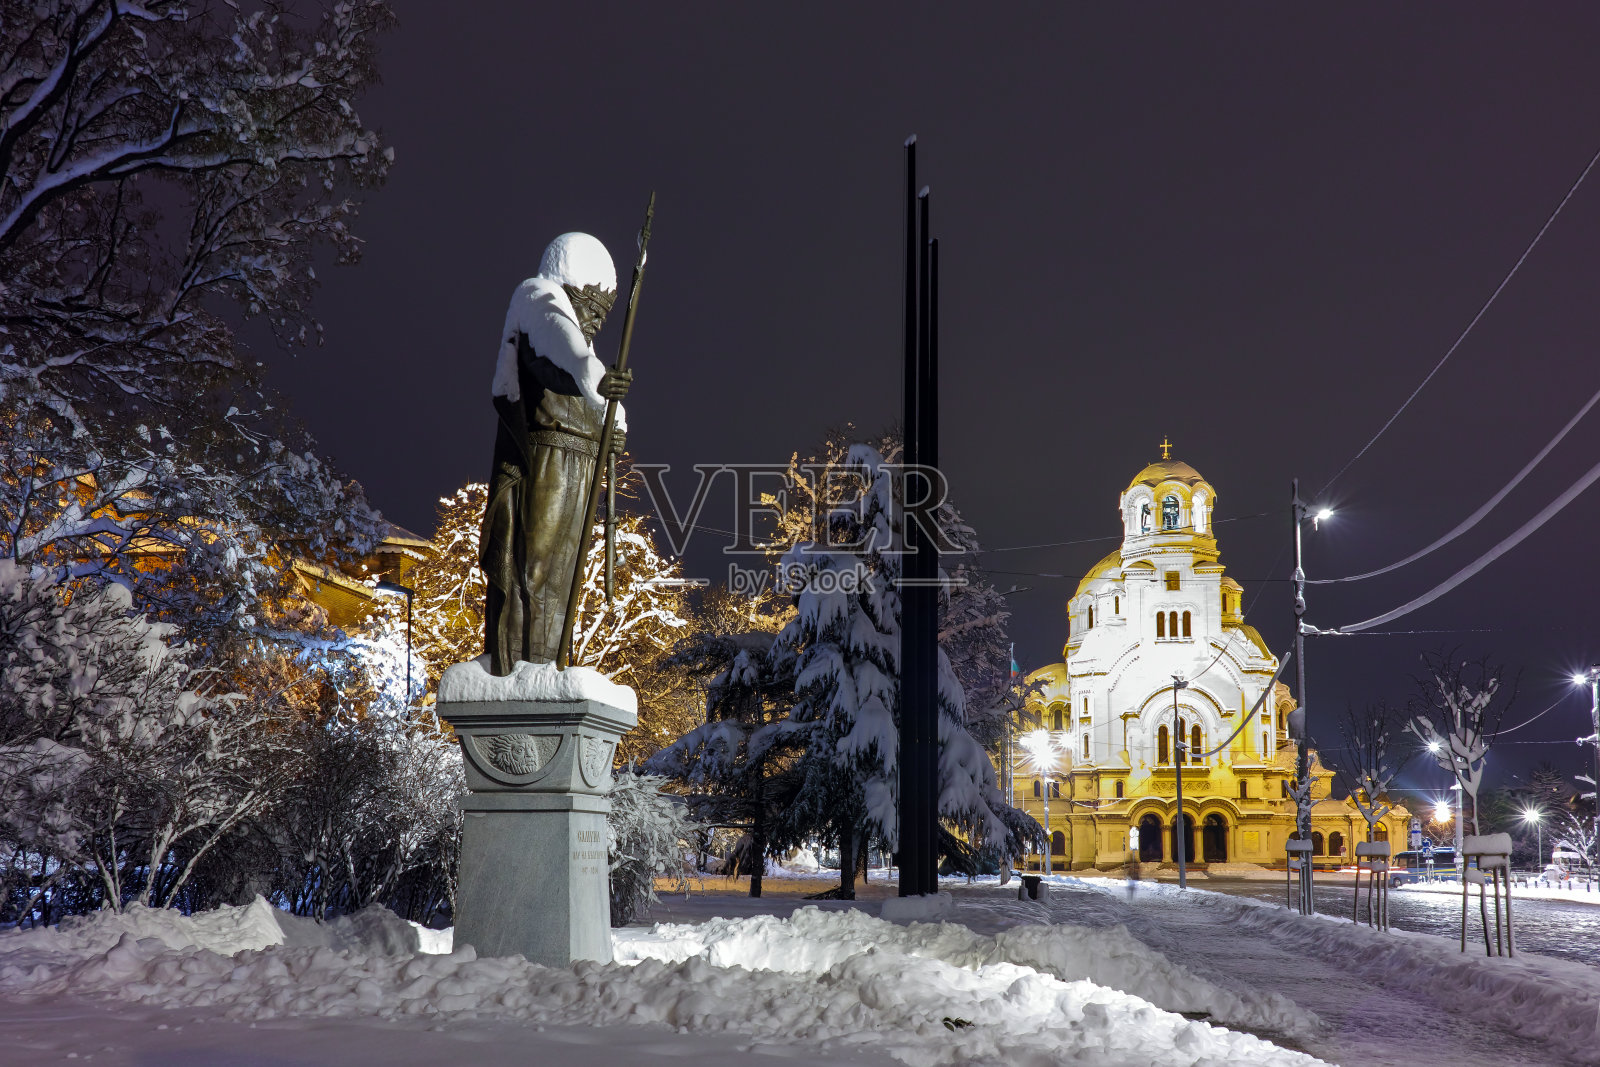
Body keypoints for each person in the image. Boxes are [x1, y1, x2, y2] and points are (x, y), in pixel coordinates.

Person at [480, 233, 631, 674]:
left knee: (563, 584)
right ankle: (523, 670)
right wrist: (594, 377)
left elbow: (590, 400)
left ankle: (546, 669)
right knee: (535, 574)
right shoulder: (539, 298)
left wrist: (611, 431)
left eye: (606, 314)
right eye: (594, 307)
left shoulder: (584, 348)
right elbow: (558, 349)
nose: (599, 322)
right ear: (571, 285)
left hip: (579, 470)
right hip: (549, 466)